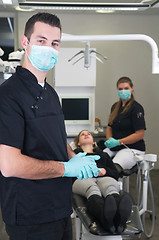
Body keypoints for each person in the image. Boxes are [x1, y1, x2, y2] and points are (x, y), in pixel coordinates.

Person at [0, 13, 101, 240]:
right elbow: (9, 165)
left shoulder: (50, 93)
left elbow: (56, 139)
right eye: (41, 41)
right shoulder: (8, 95)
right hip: (30, 215)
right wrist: (66, 168)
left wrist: (76, 159)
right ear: (25, 42)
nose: (49, 48)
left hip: (60, 208)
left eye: (55, 43)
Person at [72, 130, 133, 234]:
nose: (86, 135)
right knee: (92, 189)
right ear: (78, 143)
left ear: (93, 141)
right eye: (82, 134)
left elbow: (115, 174)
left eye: (89, 134)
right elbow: (71, 172)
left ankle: (119, 220)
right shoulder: (75, 155)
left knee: (110, 188)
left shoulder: (104, 155)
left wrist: (105, 170)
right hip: (84, 179)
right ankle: (106, 219)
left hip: (103, 177)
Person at [104, 76, 146, 173]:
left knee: (113, 168)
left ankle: (115, 188)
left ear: (132, 88)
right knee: (100, 160)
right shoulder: (115, 107)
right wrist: (110, 140)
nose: (123, 91)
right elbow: (109, 127)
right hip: (115, 147)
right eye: (120, 89)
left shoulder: (136, 108)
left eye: (126, 88)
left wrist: (118, 141)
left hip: (132, 148)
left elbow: (140, 134)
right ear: (117, 90)